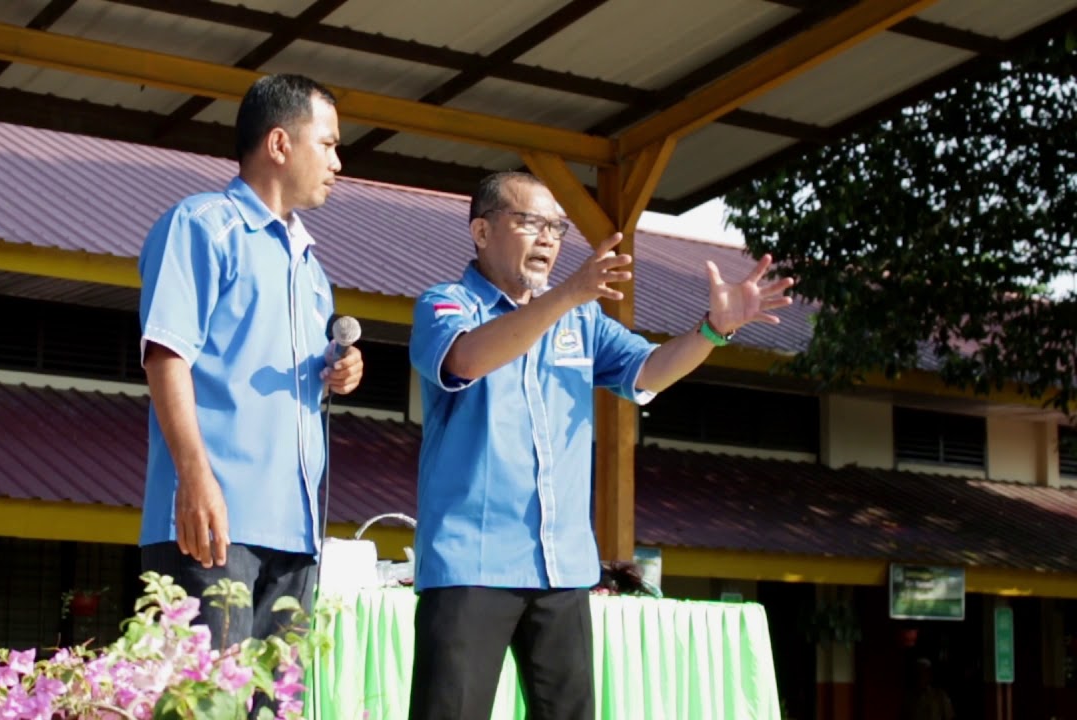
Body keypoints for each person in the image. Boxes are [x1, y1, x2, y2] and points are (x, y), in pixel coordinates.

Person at [406, 171, 795, 720]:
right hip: (473, 562)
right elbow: (467, 359)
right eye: (529, 222)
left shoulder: (582, 320)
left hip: (561, 569)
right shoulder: (446, 304)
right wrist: (568, 294)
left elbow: (649, 372)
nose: (547, 238)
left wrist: (712, 330)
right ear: (481, 231)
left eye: (557, 227)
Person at [138, 73, 363, 652]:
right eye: (330, 143)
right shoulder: (203, 226)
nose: (340, 162)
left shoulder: (313, 270)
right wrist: (194, 476)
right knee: (208, 704)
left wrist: (338, 371)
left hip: (296, 531)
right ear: (281, 144)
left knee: (273, 706)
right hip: (212, 524)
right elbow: (166, 355)